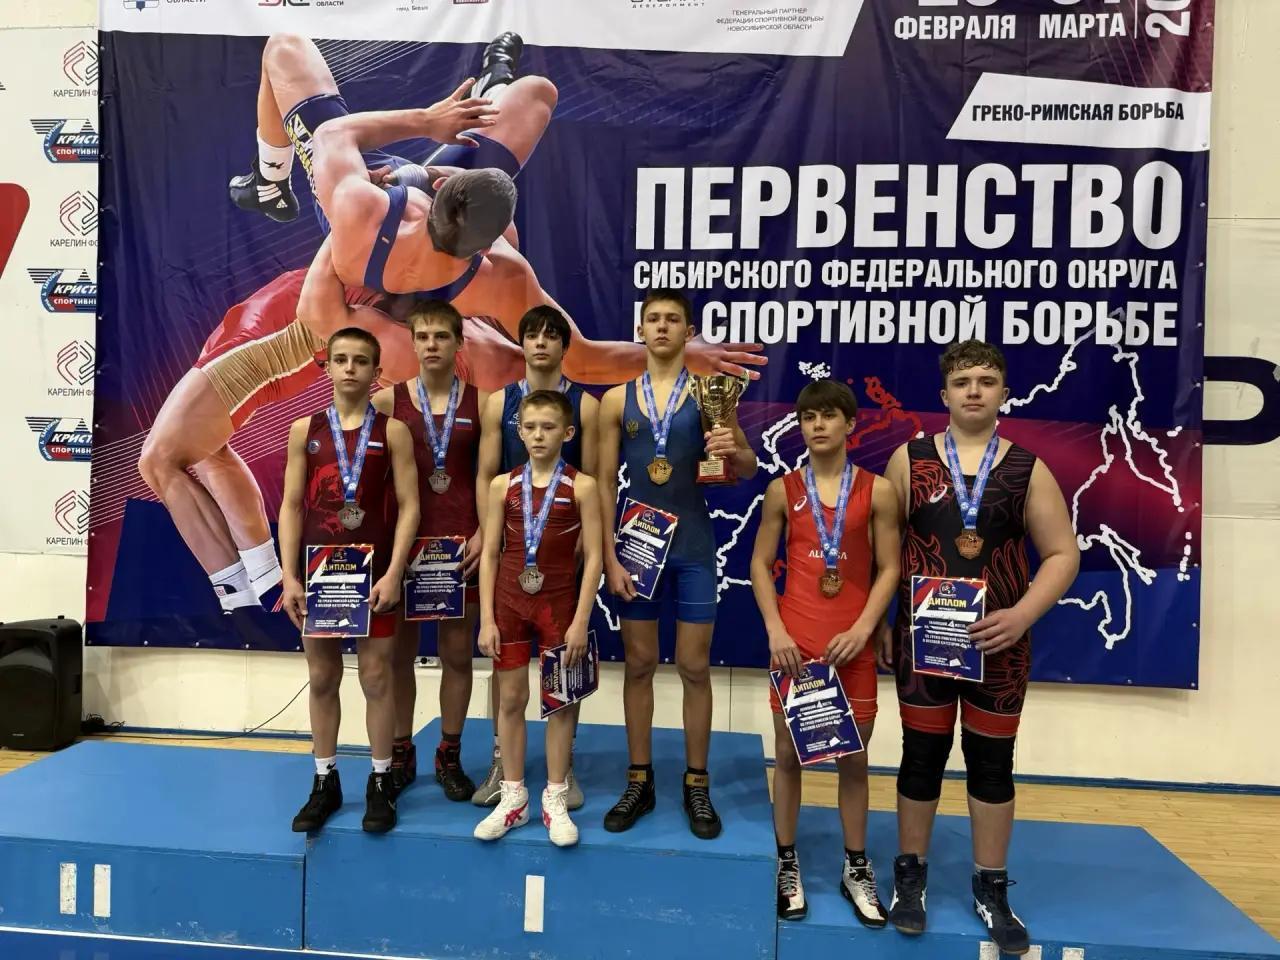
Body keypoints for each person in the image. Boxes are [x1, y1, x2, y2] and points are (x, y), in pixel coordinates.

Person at [233, 31, 765, 384]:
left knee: (284, 47)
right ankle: (493, 87)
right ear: (491, 242)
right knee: (536, 93)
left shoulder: (361, 207)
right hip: (418, 224)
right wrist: (677, 356)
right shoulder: (501, 277)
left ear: (441, 191)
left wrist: (426, 122)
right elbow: (582, 361)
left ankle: (270, 183)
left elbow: (334, 134)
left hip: (376, 212)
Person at [882, 340, 1079, 954]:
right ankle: (910, 878)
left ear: (1003, 393)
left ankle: (991, 888)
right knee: (920, 757)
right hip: (924, 644)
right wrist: (885, 622)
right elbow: (882, 555)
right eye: (962, 381)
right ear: (943, 394)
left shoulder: (1027, 468)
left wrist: (1022, 615)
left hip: (1001, 647)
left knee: (993, 765)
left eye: (986, 381)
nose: (974, 390)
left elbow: (1063, 553)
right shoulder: (908, 461)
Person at [598, 288, 759, 841]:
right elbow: (602, 484)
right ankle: (639, 780)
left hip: (692, 546)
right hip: (637, 548)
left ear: (690, 333)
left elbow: (745, 467)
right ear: (640, 330)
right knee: (639, 663)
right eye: (653, 319)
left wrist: (732, 449)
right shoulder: (616, 400)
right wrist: (608, 555)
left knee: (694, 666)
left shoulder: (710, 392)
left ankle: (696, 782)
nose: (662, 327)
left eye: (673, 320)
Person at [749, 380, 900, 925]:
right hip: (796, 648)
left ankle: (855, 866)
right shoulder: (782, 490)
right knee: (787, 756)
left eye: (829, 415)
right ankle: (786, 861)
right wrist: (775, 630)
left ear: (850, 424)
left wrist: (864, 628)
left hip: (851, 646)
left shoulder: (878, 491)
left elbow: (890, 567)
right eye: (809, 416)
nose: (817, 425)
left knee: (853, 760)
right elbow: (759, 564)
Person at [278, 327, 420, 834]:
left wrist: (396, 570)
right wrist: (289, 576)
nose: (350, 368)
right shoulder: (305, 430)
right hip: (319, 576)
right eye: (340, 359)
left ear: (376, 371)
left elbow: (410, 507)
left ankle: (381, 780)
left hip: (374, 574)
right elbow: (291, 505)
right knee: (322, 677)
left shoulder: (393, 432)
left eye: (361, 360)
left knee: (377, 677)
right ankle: (325, 779)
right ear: (327, 367)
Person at [471, 304, 599, 809]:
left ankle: (564, 768)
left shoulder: (585, 405)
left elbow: (597, 475)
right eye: (532, 335)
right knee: (507, 670)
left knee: (565, 660)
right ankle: (502, 762)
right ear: (520, 343)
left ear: (565, 345)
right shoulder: (498, 402)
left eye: (551, 335)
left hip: (563, 541)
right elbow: (486, 472)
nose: (541, 342)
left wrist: (591, 539)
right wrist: (487, 531)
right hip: (512, 534)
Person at [371, 299, 487, 800]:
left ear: (459, 342)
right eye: (423, 336)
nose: (432, 344)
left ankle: (449, 753)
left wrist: (485, 531)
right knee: (399, 656)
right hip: (405, 546)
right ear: (412, 343)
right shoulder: (385, 402)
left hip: (462, 546)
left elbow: (491, 476)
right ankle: (401, 750)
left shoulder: (483, 403)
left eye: (442, 335)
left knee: (457, 654)